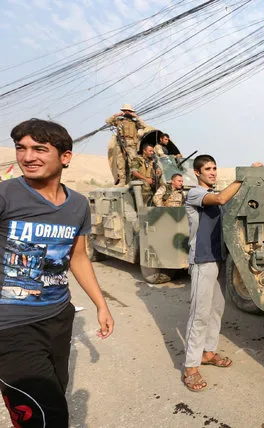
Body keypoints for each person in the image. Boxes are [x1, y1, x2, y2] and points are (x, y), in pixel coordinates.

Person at [0, 119, 114, 427]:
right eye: (21, 148)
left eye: (39, 149)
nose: (28, 157)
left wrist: (101, 305)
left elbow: (77, 256)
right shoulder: (6, 194)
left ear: (65, 157)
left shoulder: (77, 204)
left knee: (54, 396)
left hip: (58, 319)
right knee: (46, 417)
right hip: (10, 327)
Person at [182, 155, 263, 392]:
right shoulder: (195, 194)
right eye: (207, 169)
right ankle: (190, 367)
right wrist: (244, 175)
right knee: (199, 313)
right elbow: (221, 198)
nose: (212, 172)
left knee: (216, 308)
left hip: (218, 259)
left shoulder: (214, 195)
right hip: (202, 261)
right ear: (197, 173)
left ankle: (208, 352)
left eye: (215, 168)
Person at [105, 104, 149, 185]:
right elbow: (107, 121)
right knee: (120, 163)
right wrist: (117, 115)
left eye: (129, 111)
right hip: (120, 144)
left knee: (132, 163)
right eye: (125, 110)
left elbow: (144, 126)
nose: (127, 112)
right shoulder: (119, 121)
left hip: (131, 145)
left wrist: (136, 117)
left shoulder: (135, 122)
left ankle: (132, 181)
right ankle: (122, 181)